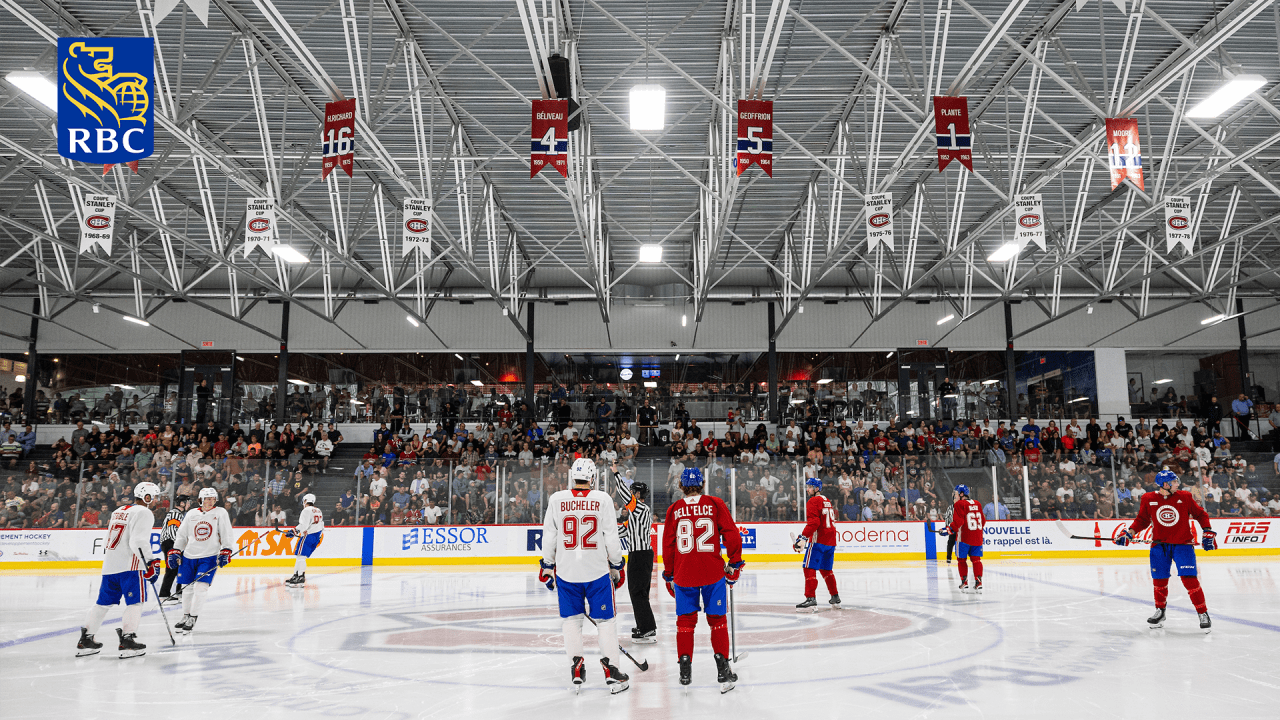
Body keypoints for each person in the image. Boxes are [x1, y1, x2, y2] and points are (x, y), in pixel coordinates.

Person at [538, 458, 629, 694]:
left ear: (572, 476)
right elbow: (611, 536)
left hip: (567, 572)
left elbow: (549, 535)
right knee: (606, 621)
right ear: (592, 478)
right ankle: (612, 672)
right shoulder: (603, 499)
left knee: (571, 621)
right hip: (597, 571)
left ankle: (576, 667)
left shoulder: (557, 499)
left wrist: (547, 565)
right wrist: (617, 564)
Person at [661, 467, 744, 693]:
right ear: (703, 483)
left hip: (684, 573)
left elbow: (667, 545)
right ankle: (723, 670)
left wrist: (669, 573)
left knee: (685, 623)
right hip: (712, 572)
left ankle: (685, 670)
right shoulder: (715, 503)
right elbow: (732, 533)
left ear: (681, 486)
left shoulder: (674, 509)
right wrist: (735, 561)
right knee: (717, 621)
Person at [1114, 469, 1216, 632]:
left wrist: (1208, 531)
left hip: (1183, 545)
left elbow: (1201, 515)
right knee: (1159, 581)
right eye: (1174, 482)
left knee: (1190, 580)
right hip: (1159, 546)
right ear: (1165, 485)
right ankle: (1160, 611)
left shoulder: (1185, 497)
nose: (1178, 484)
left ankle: (1202, 613)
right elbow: (1142, 520)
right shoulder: (1148, 498)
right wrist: (1129, 533)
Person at [76, 481, 162, 659]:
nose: (156, 501)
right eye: (154, 497)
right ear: (147, 497)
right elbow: (138, 542)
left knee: (102, 603)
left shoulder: (119, 510)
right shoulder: (144, 512)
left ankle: (86, 640)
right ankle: (128, 640)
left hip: (110, 565)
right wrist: (151, 562)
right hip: (130, 566)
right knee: (135, 603)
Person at [168, 487, 234, 634]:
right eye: (207, 499)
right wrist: (176, 550)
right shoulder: (191, 514)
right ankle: (185, 615)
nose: (210, 502)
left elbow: (226, 533)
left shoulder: (220, 513)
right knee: (186, 588)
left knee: (200, 588)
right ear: (200, 500)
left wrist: (226, 549)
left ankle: (193, 617)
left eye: (212, 499)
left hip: (209, 557)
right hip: (189, 556)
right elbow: (181, 535)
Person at [610, 462, 656, 644]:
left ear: (637, 495)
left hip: (640, 555)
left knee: (637, 592)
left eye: (632, 493)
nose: (629, 495)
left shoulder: (639, 508)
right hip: (642, 555)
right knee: (640, 592)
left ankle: (647, 628)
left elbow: (622, 492)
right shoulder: (638, 514)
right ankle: (646, 626)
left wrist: (616, 473)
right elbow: (623, 531)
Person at [793, 477, 841, 611]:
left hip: (818, 541)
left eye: (810, 487)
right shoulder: (826, 500)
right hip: (831, 541)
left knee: (808, 567)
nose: (807, 489)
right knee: (826, 569)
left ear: (816, 488)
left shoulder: (813, 501)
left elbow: (814, 523)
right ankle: (835, 597)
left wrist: (802, 538)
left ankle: (810, 598)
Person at [940, 484, 985, 593]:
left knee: (961, 559)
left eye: (955, 493)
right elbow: (983, 521)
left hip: (964, 538)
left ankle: (964, 582)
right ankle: (978, 582)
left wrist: (948, 530)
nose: (954, 496)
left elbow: (958, 522)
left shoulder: (959, 504)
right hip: (977, 537)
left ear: (961, 494)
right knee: (976, 560)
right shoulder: (977, 503)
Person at [284, 493, 324, 588]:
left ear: (305, 501)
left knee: (301, 557)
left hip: (308, 535)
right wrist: (295, 530)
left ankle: (300, 576)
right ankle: (296, 575)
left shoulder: (306, 510)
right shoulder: (318, 510)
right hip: (316, 536)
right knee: (300, 556)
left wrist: (293, 532)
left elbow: (304, 525)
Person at [157, 495, 190, 600]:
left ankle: (179, 592)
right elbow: (173, 530)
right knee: (172, 569)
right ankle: (164, 594)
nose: (189, 504)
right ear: (182, 503)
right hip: (170, 543)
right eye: (187, 502)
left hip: (171, 543)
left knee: (178, 568)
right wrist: (178, 546)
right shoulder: (175, 513)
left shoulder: (179, 514)